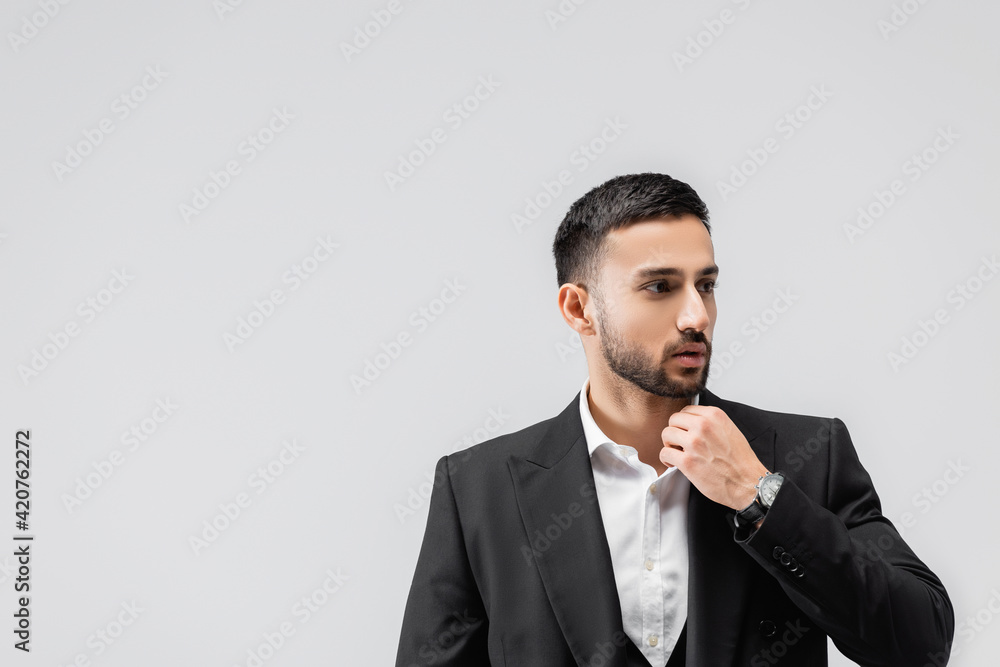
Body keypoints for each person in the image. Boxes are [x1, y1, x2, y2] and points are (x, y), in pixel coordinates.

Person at [394, 173, 954, 666]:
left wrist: (760, 497)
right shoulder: (479, 489)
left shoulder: (808, 454)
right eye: (660, 287)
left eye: (705, 285)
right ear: (579, 309)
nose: (696, 316)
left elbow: (921, 643)